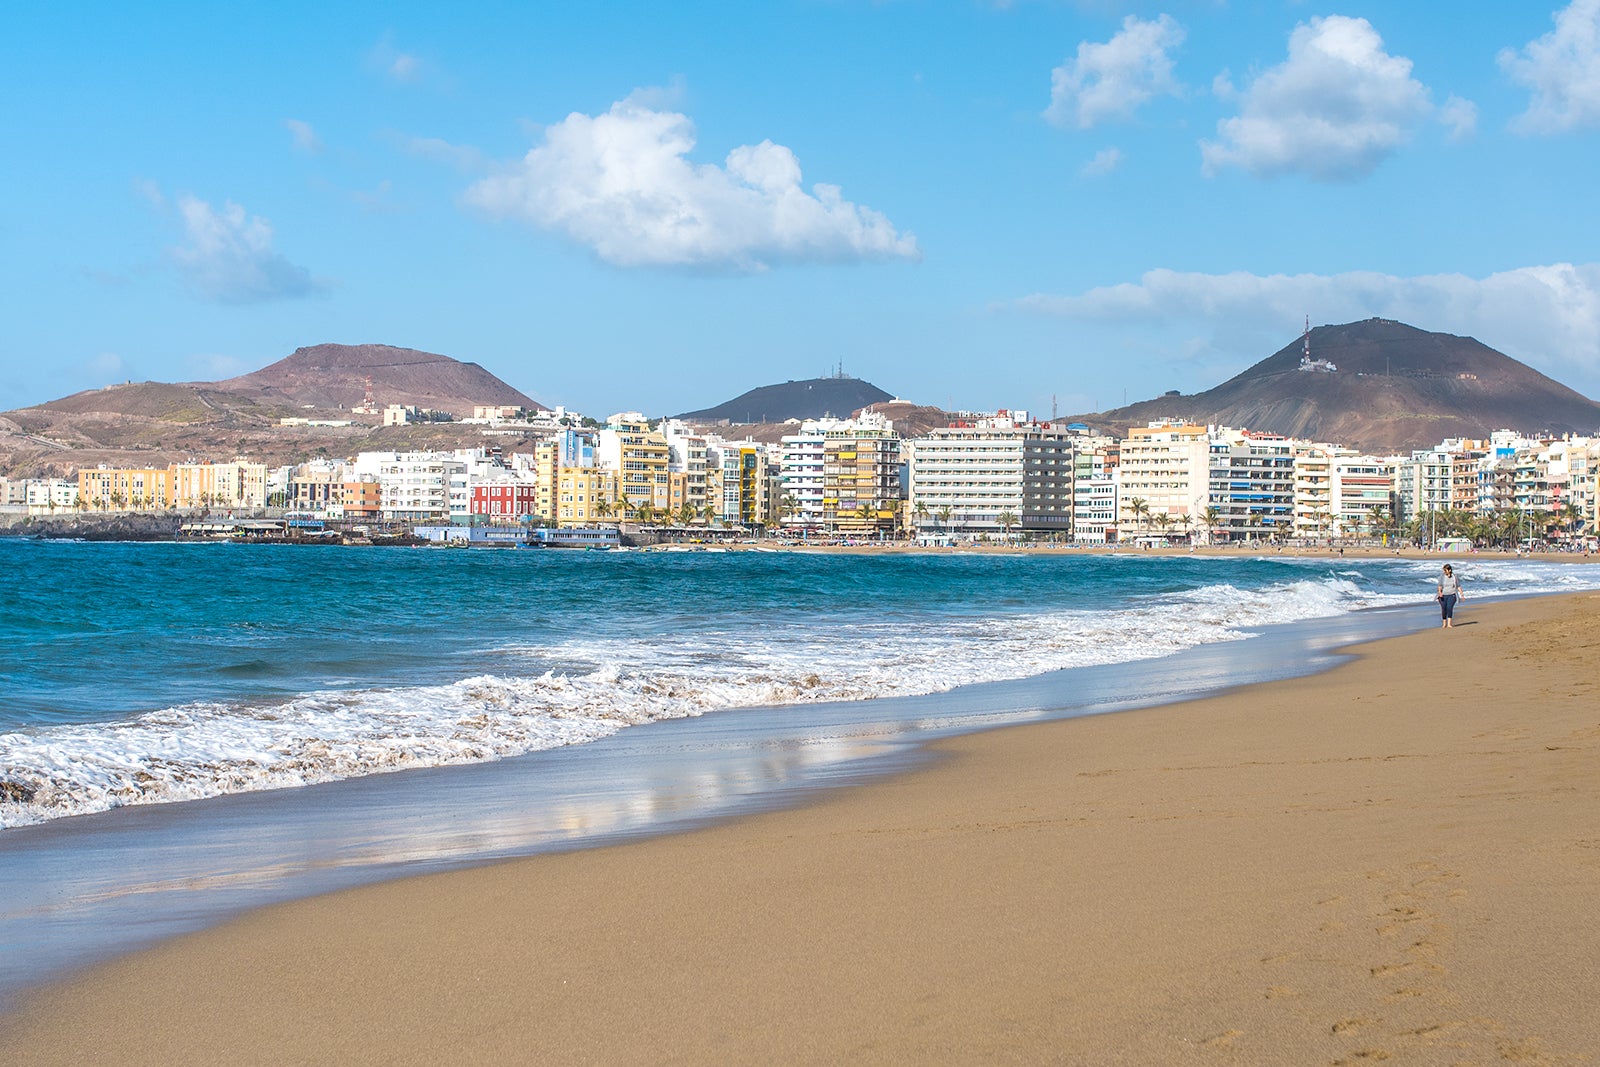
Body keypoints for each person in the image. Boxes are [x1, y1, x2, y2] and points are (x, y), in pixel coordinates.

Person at [1436, 563, 1464, 628]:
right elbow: (1439, 586)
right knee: (1444, 609)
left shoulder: (1455, 577)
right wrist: (1440, 592)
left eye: (1445, 570)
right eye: (1444, 570)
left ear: (1450, 570)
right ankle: (1444, 624)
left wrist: (1462, 594)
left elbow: (1458, 586)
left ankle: (1449, 624)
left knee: (1449, 608)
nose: (1444, 572)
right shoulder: (1442, 577)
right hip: (1443, 596)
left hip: (1452, 595)